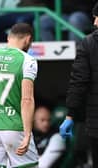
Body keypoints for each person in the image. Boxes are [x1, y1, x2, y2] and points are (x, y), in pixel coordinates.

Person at [0, 23, 38, 168]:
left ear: (8, 38)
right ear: (28, 39)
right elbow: (27, 99)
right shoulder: (27, 60)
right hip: (14, 127)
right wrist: (27, 133)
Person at [59, 2, 98, 168]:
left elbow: (78, 82)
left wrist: (70, 115)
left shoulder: (88, 43)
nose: (95, 22)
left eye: (97, 17)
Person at [33, 103, 66, 168]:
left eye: (49, 120)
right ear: (34, 121)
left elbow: (42, 165)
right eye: (42, 120)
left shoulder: (57, 138)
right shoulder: (29, 136)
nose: (46, 124)